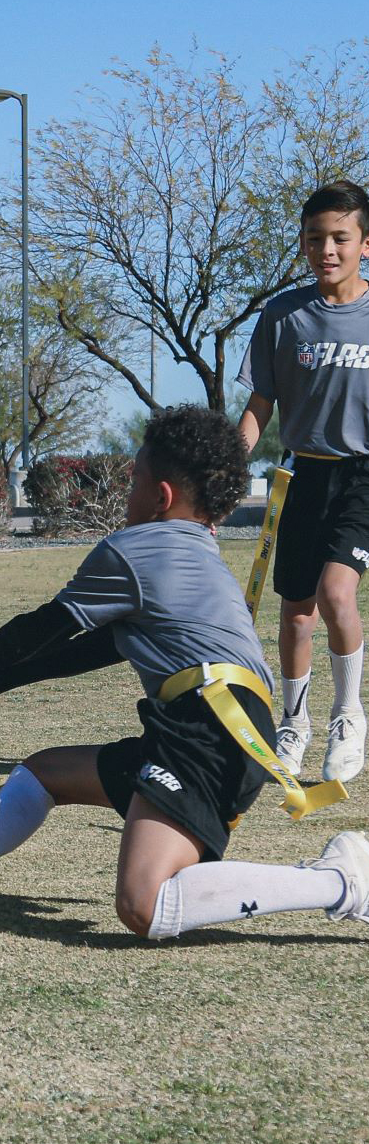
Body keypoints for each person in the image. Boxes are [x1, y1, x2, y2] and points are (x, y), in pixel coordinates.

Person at [0, 406, 369, 940]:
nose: (127, 492)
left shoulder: (135, 547)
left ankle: (339, 883)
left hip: (209, 726)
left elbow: (51, 625)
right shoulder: (198, 550)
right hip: (218, 724)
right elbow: (100, 646)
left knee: (144, 905)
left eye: (134, 480)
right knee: (44, 774)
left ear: (161, 497)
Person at [238, 180, 369, 784]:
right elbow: (261, 403)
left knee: (338, 593)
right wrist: (229, 464)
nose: (328, 250)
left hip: (364, 475)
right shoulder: (283, 317)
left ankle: (349, 716)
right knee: (296, 613)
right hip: (302, 474)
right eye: (316, 238)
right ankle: (293, 724)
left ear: (364, 244)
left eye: (341, 238)